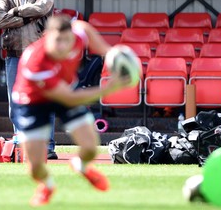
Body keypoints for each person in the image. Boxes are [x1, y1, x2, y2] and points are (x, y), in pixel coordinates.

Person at [12, 15, 137, 207]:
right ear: (46, 37)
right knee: (35, 166)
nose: (63, 46)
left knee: (90, 147)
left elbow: (85, 29)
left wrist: (113, 55)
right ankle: (47, 185)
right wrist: (112, 87)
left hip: (64, 89)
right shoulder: (36, 61)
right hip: (32, 103)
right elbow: (70, 98)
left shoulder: (78, 35)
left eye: (67, 40)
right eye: (57, 41)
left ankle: (81, 165)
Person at [0, 0, 58, 159]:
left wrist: (16, 12)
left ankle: (47, 147)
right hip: (14, 55)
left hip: (42, 56)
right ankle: (23, 144)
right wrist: (29, 16)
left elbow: (43, 8)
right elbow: (0, 20)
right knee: (16, 102)